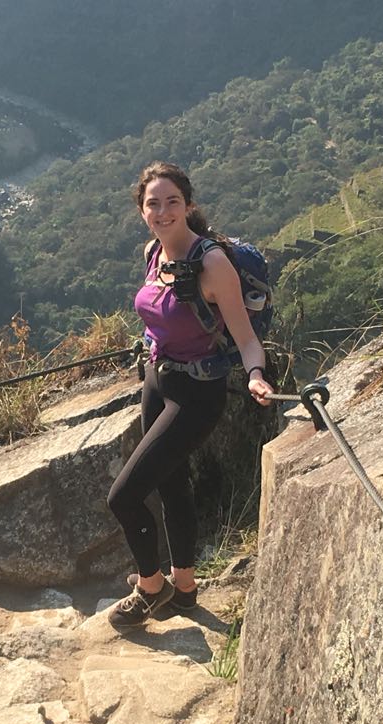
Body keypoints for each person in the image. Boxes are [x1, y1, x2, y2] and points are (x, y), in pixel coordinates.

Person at [107, 161, 274, 630]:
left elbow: (244, 336)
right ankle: (184, 588)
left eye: (172, 202)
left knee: (123, 497)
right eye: (153, 204)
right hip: (158, 379)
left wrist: (256, 375)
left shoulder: (212, 263)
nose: (162, 212)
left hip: (197, 392)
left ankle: (150, 587)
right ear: (141, 210)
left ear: (188, 205)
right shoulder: (153, 253)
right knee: (171, 484)